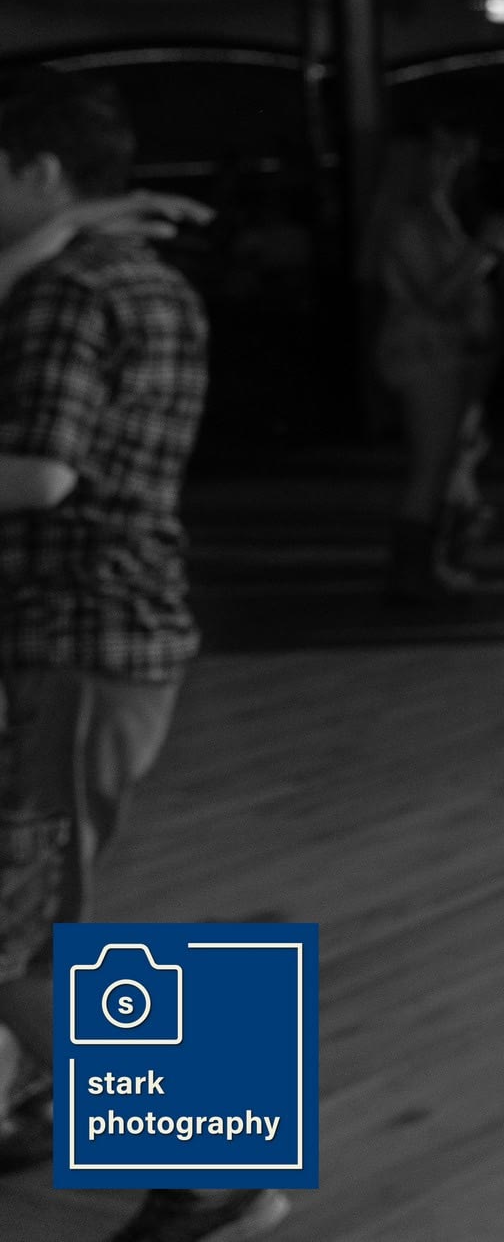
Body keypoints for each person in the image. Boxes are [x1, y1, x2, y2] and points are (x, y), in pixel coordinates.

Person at [0, 82, 266, 1238]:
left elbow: (38, 474)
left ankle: (217, 1166)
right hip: (112, 631)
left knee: (16, 923)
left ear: (38, 170)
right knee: (44, 902)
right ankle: (34, 1104)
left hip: (71, 635)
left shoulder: (66, 290)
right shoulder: (143, 277)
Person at [367, 121, 504, 601]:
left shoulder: (435, 214)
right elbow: (436, 296)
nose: (455, 164)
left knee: (446, 463)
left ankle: (428, 563)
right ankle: (411, 571)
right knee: (431, 465)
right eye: (442, 155)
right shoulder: (407, 221)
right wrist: (485, 248)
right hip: (424, 351)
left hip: (444, 349)